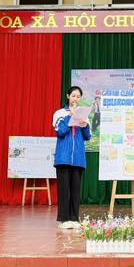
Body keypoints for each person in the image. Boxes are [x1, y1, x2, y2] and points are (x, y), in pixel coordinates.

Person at [53, 85, 91, 229]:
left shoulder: (83, 114)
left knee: (75, 190)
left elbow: (87, 136)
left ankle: (74, 218)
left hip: (78, 158)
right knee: (64, 190)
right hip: (63, 157)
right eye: (73, 96)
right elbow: (60, 131)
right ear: (68, 96)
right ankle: (64, 219)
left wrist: (85, 125)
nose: (75, 98)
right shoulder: (60, 113)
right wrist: (71, 116)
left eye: (78, 96)